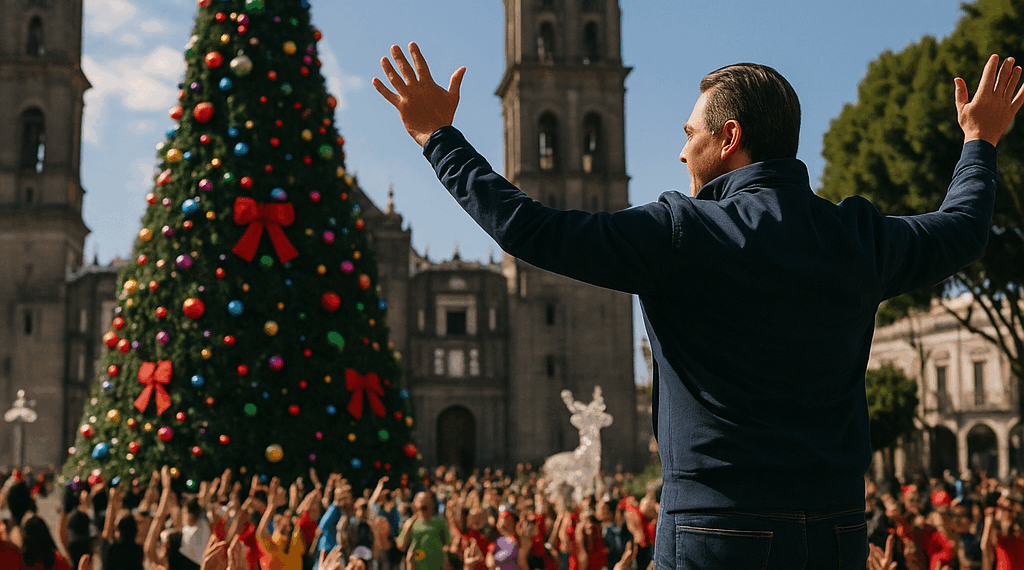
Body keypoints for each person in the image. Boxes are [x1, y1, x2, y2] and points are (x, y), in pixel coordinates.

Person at [374, 41, 1024, 569]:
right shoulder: (859, 236)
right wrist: (980, 142)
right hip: (838, 531)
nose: (683, 148)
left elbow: (531, 229)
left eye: (691, 133)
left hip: (717, 531)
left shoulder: (680, 234)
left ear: (729, 137)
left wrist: (440, 138)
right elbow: (964, 227)